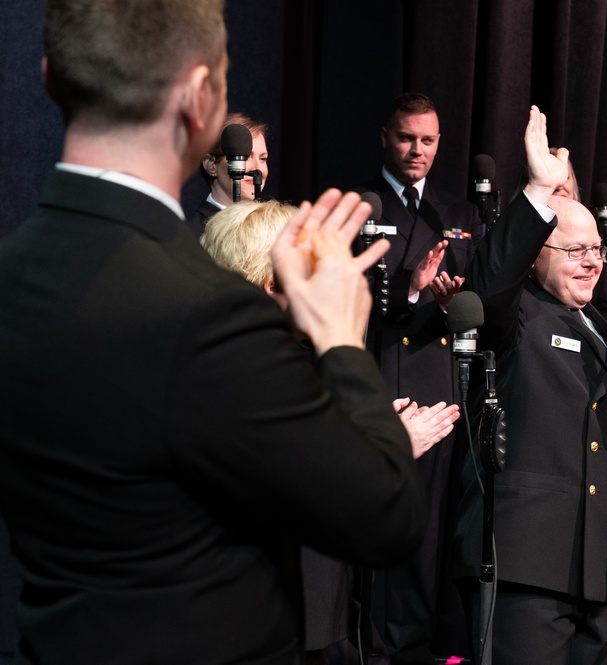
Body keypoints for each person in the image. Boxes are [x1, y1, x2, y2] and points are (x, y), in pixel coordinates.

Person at [0, 2, 426, 663]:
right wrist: (339, 335)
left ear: (53, 79)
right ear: (201, 100)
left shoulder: (13, 274)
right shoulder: (209, 312)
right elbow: (386, 513)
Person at [201, 199, 459, 663]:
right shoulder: (261, 373)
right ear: (273, 282)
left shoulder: (233, 355)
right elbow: (367, 510)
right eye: (312, 269)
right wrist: (389, 449)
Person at [453, 106, 607, 665]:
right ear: (535, 256)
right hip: (525, 562)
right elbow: (489, 285)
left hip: (598, 568)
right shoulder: (513, 317)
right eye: (573, 251)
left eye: (596, 251)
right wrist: (538, 191)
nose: (591, 264)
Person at [355, 92, 481, 664]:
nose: (417, 150)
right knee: (376, 511)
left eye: (428, 140)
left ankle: (424, 642)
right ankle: (372, 639)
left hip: (436, 377)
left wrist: (455, 300)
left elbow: (482, 301)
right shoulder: (361, 204)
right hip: (376, 374)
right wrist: (408, 287)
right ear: (386, 137)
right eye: (407, 138)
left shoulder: (457, 212)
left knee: (431, 521)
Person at [187, 111, 270, 235]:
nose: (258, 169)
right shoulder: (191, 235)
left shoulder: (274, 231)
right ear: (211, 165)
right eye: (245, 157)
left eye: (263, 159)